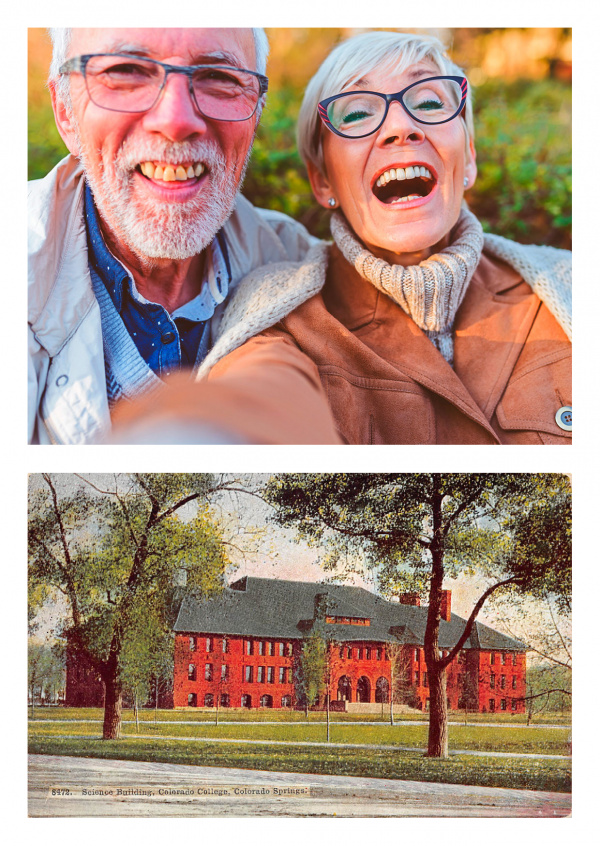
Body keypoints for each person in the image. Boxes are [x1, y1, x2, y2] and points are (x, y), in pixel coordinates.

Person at [178, 30, 570, 445]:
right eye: (357, 114)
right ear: (323, 179)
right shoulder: (280, 320)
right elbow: (255, 401)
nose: (402, 127)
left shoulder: (568, 284)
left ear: (469, 156)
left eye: (431, 103)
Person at [28, 27, 337, 444]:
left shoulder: (299, 265)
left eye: (219, 78)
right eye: (126, 72)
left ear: (256, 112)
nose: (175, 121)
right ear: (65, 111)